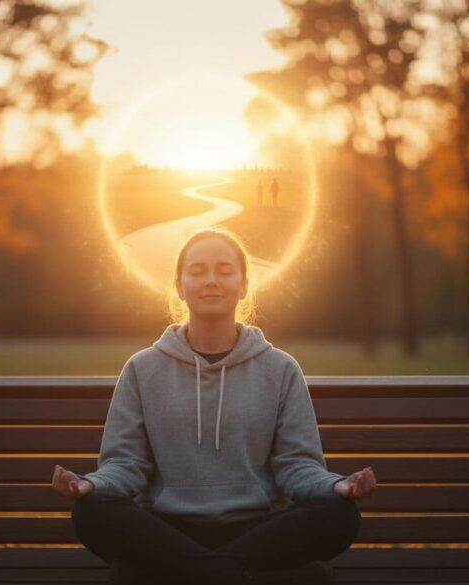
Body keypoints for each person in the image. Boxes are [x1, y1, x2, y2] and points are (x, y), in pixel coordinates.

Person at [53, 228, 376, 585]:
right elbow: (126, 464)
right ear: (179, 286)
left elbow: (297, 466)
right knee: (92, 511)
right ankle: (231, 574)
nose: (211, 281)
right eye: (198, 271)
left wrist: (337, 487)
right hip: (167, 530)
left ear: (243, 286)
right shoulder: (142, 369)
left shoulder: (280, 369)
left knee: (340, 514)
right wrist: (92, 485)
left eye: (224, 270)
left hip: (257, 530)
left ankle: (195, 573)